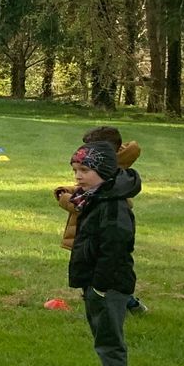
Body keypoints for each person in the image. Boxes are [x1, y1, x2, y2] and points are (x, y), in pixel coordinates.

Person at [64, 142, 140, 366]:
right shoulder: (96, 198)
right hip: (97, 283)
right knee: (103, 336)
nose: (78, 176)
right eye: (75, 170)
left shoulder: (112, 205)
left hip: (108, 286)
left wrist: (100, 287)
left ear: (105, 171)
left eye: (84, 169)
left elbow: (115, 250)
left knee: (109, 340)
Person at [56, 125, 145, 315]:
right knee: (94, 267)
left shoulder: (109, 173)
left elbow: (87, 202)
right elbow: (87, 193)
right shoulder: (111, 170)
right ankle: (109, 300)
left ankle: (113, 303)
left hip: (96, 233)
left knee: (101, 269)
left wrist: (64, 198)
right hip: (90, 232)